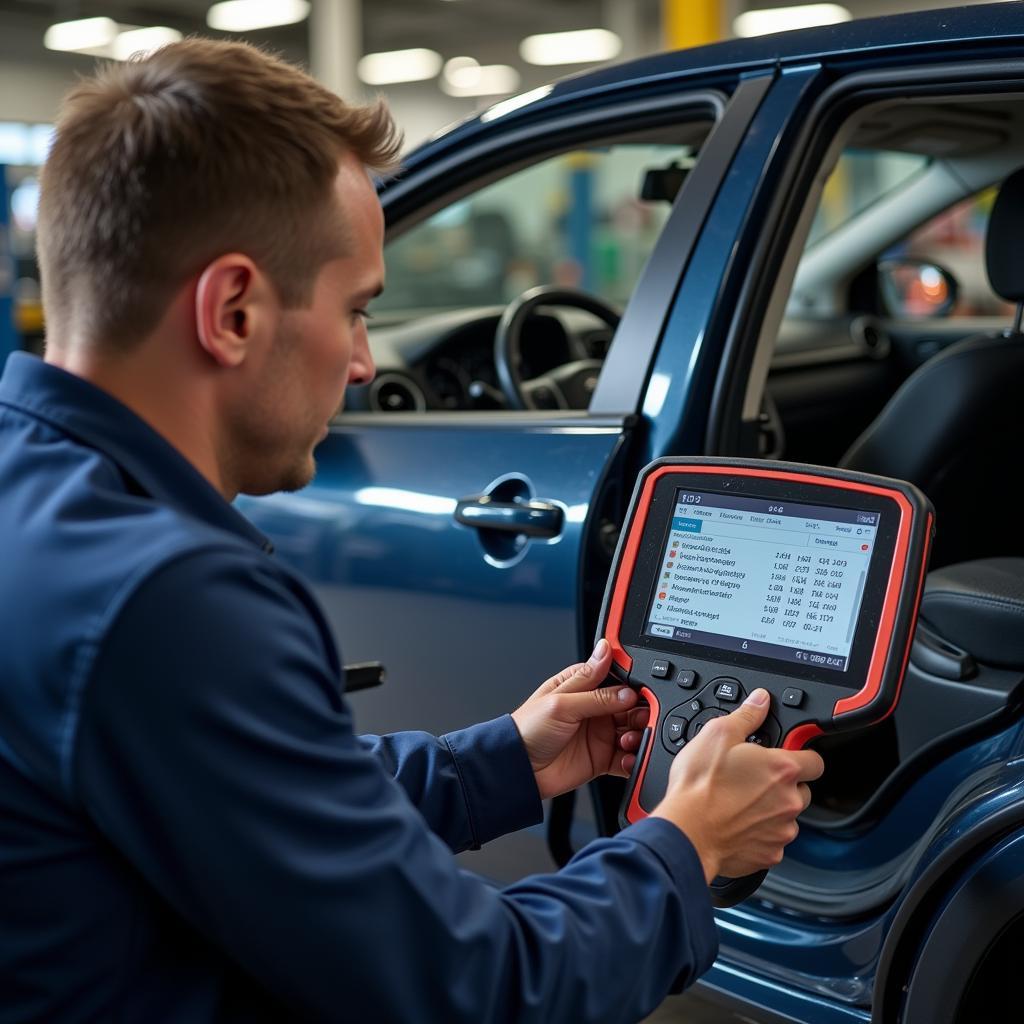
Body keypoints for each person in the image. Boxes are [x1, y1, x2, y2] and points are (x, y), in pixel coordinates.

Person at [0, 39, 824, 1023]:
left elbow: (266, 803)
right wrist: (688, 847)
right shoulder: (163, 596)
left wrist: (508, 760)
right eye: (355, 310)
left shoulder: (40, 500)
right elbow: (469, 990)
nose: (360, 362)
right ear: (230, 311)